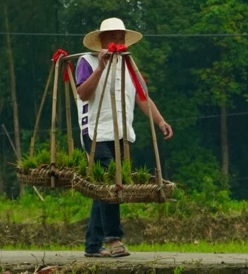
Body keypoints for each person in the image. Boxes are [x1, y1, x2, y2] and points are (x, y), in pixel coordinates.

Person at [73, 17, 173, 259]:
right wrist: (100, 68)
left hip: (120, 133)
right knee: (111, 183)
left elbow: (142, 98)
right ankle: (114, 238)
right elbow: (83, 93)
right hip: (95, 132)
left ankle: (92, 244)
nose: (117, 42)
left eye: (120, 38)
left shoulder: (129, 66)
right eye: (112, 38)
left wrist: (160, 121)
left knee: (104, 188)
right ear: (101, 41)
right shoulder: (86, 61)